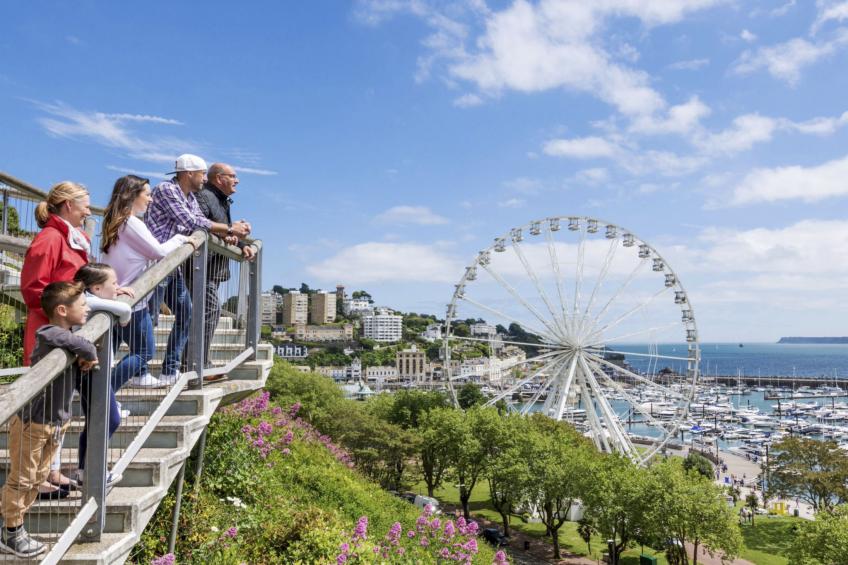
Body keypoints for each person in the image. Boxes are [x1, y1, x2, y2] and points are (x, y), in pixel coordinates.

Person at [0, 281, 97, 558]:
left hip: (54, 423)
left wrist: (84, 356)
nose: (88, 307)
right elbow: (78, 344)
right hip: (34, 421)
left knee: (38, 477)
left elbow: (79, 346)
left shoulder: (67, 335)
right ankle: (11, 533)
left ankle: (13, 526)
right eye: (83, 304)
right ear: (63, 310)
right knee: (22, 478)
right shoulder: (48, 332)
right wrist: (87, 352)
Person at [144, 155, 249, 384]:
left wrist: (234, 236)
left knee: (186, 313)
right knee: (149, 318)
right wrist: (231, 228)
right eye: (202, 174)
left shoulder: (190, 197)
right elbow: (192, 222)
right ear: (188, 173)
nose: (204, 179)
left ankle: (170, 371)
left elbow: (201, 221)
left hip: (174, 265)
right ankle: (140, 372)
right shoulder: (166, 190)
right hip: (157, 265)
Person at [19, 181, 91, 491]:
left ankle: (52, 470)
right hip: (48, 333)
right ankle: (37, 476)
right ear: (68, 206)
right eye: (85, 204)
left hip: (66, 332)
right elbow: (33, 289)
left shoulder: (73, 239)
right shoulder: (49, 239)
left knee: (59, 407)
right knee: (42, 410)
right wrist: (62, 311)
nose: (89, 210)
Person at [101, 175, 192, 388]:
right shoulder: (130, 222)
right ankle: (106, 393)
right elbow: (158, 251)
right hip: (131, 299)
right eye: (147, 195)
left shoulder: (118, 222)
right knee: (144, 351)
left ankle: (103, 398)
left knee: (108, 354)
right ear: (132, 195)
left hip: (118, 295)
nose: (150, 200)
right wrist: (180, 239)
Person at [71, 263, 133, 487]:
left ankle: (84, 471)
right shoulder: (87, 299)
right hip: (89, 371)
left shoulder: (88, 297)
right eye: (113, 283)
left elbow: (114, 302)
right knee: (110, 418)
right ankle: (91, 471)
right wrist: (122, 312)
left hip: (92, 370)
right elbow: (125, 312)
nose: (117, 287)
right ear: (96, 288)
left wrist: (116, 293)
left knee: (97, 419)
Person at [193, 163, 255, 382]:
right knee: (210, 310)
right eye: (233, 176)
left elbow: (221, 230)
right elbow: (198, 226)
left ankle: (192, 362)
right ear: (219, 178)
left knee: (206, 312)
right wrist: (231, 230)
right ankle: (197, 364)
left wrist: (239, 243)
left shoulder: (220, 200)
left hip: (211, 268)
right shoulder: (204, 196)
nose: (237, 180)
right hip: (198, 266)